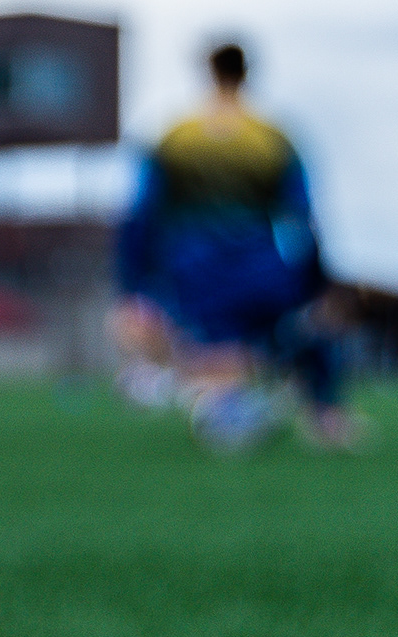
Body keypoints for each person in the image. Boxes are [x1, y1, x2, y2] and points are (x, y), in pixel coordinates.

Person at [113, 40, 352, 450]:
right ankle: (325, 417)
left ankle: (226, 407)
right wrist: (317, 281)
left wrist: (132, 285)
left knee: (214, 347)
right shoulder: (272, 136)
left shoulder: (175, 135)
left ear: (209, 72)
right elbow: (302, 214)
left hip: (194, 265)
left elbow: (140, 215)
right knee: (306, 333)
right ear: (246, 73)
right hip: (260, 264)